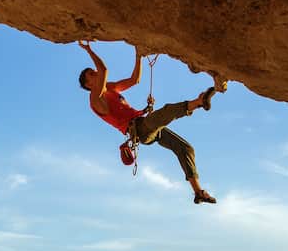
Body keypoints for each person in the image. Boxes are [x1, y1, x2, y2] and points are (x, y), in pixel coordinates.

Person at [77, 40, 226, 205]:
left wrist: (139, 55)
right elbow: (104, 70)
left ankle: (198, 192)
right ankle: (199, 102)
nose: (96, 71)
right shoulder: (95, 99)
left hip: (144, 123)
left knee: (185, 148)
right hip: (139, 130)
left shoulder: (110, 88)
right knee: (166, 112)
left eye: (93, 71)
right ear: (88, 85)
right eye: (91, 74)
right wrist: (89, 50)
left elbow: (134, 80)